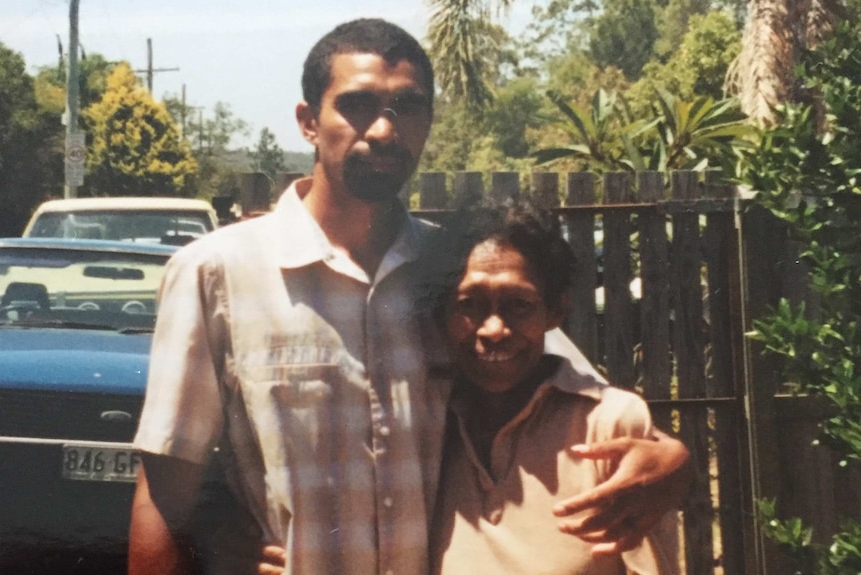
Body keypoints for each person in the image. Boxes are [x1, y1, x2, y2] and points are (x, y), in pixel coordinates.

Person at [129, 18, 690, 575]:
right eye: (357, 104)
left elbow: (573, 388)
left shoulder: (454, 271)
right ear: (307, 121)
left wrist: (674, 458)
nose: (384, 130)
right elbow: (163, 495)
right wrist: (216, 536)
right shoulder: (218, 272)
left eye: (408, 108)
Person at [424, 199, 679, 574]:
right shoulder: (430, 422)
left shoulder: (608, 425)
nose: (494, 330)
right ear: (442, 312)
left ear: (555, 311)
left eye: (519, 305)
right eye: (470, 304)